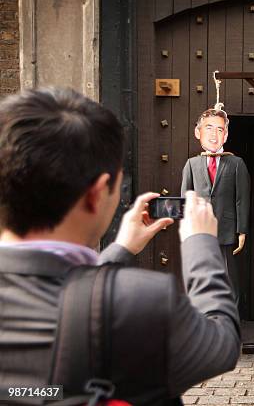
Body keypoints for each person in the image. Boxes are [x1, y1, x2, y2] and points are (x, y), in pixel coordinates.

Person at [0, 88, 240, 405]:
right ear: (97, 194)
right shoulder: (143, 303)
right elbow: (221, 346)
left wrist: (120, 249)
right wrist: (201, 245)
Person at [181, 108, 250, 305]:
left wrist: (242, 230)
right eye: (209, 128)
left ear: (226, 135)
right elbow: (186, 199)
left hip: (226, 232)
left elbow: (241, 198)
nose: (214, 134)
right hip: (199, 233)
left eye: (220, 130)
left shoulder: (236, 163)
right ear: (198, 133)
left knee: (228, 283)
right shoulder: (192, 164)